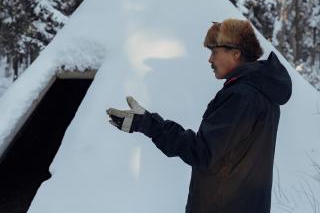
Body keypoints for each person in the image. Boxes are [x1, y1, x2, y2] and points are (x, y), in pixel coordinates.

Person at [106, 18, 292, 213]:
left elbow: (202, 152)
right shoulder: (262, 94)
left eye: (214, 52)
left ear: (236, 53)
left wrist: (148, 124)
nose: (210, 60)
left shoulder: (241, 96)